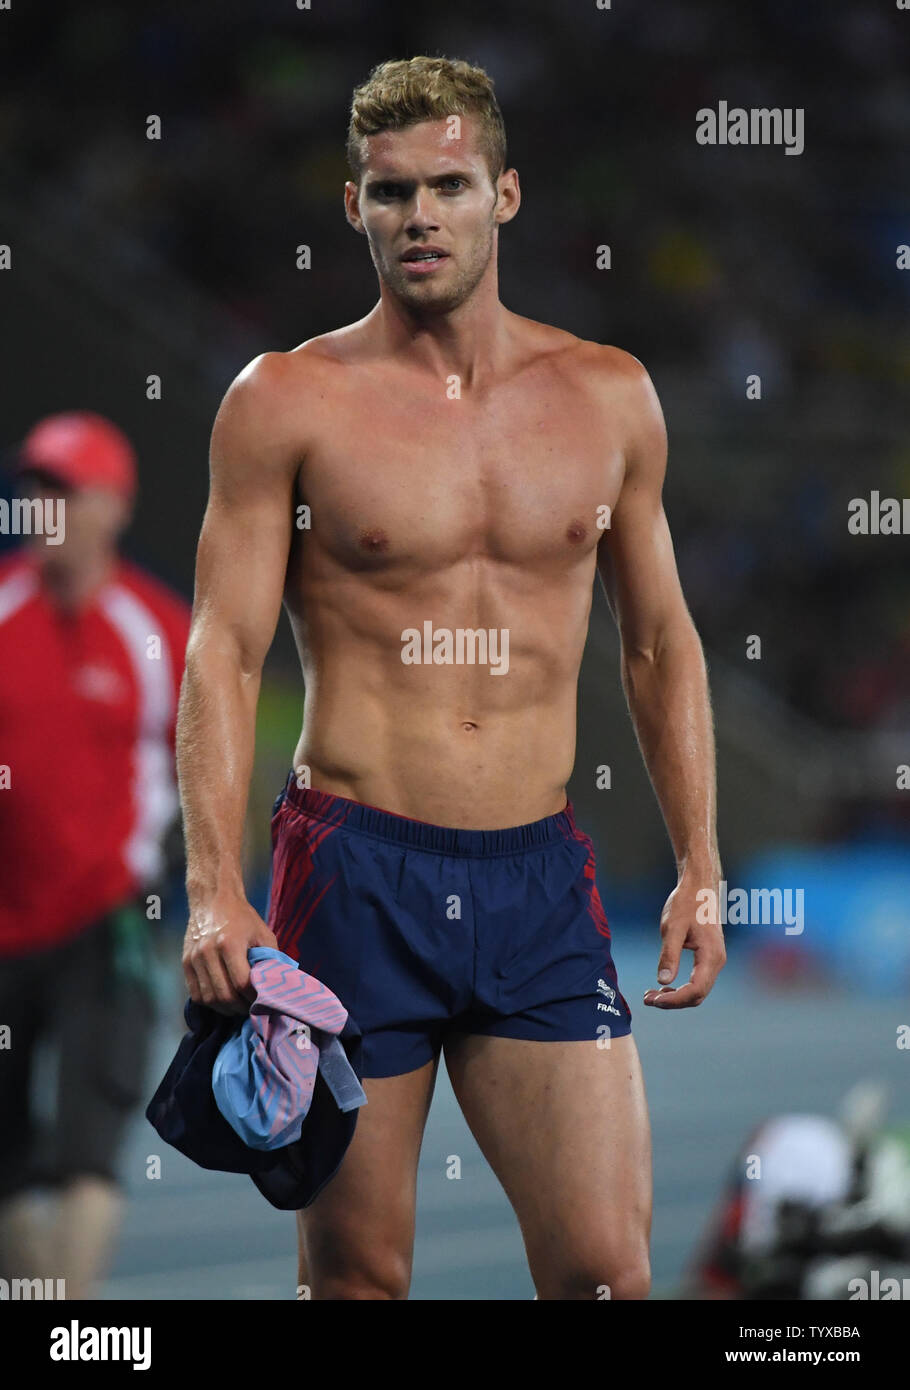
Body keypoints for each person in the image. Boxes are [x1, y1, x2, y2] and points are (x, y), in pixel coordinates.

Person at [179, 55, 725, 1301]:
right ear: (354, 208)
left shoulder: (607, 395)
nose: (417, 214)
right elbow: (223, 646)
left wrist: (700, 860)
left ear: (506, 195)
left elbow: (660, 642)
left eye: (447, 184)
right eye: (389, 193)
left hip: (535, 878)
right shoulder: (285, 400)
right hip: (353, 870)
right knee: (359, 1277)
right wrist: (214, 890)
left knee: (604, 1273)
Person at [0, 411, 191, 1298]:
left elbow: (213, 773)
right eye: (36, 486)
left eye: (64, 489)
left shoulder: (161, 633)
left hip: (105, 925)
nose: (44, 505)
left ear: (114, 504)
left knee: (87, 1151)